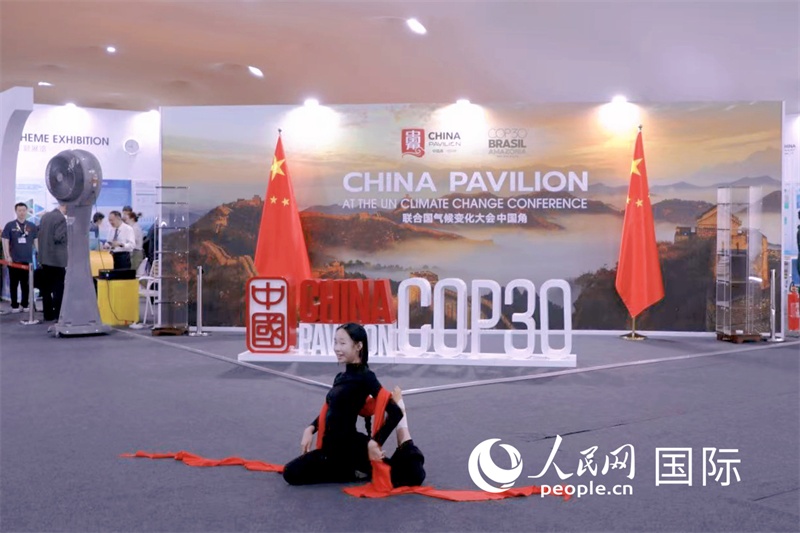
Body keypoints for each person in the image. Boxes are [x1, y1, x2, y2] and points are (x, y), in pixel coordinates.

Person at [283, 323, 425, 487]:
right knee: (291, 473)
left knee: (410, 477)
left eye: (342, 343)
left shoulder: (366, 376)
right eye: (335, 342)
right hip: (330, 449)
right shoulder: (339, 377)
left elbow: (395, 412)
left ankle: (405, 440)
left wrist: (375, 442)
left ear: (358, 346)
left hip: (352, 448)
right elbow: (333, 410)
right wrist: (310, 428)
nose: (337, 348)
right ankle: (352, 471)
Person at [1, 203, 38, 312]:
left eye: (23, 210)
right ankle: (14, 305)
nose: (22, 213)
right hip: (14, 260)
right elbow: (5, 240)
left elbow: (36, 241)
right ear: (16, 211)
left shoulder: (31, 226)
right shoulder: (10, 225)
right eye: (19, 210)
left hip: (27, 261)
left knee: (26, 284)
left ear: (27, 211)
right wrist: (7, 256)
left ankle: (25, 304)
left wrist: (39, 254)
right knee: (14, 283)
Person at [36, 203, 68, 322]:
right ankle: (59, 314)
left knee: (46, 289)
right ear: (66, 206)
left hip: (44, 258)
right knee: (58, 288)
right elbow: (59, 237)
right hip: (57, 260)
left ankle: (48, 314)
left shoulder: (45, 216)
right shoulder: (61, 219)